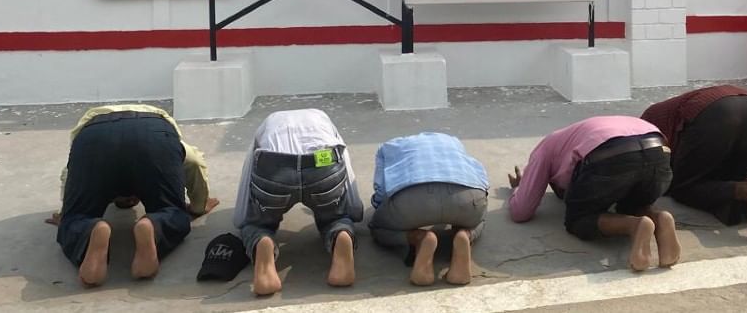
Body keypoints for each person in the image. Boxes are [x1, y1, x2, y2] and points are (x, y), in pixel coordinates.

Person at [52, 104, 218, 287]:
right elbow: (195, 163)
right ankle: (153, 226)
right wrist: (198, 206)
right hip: (153, 133)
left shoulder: (90, 129)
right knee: (169, 210)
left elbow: (69, 175)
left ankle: (89, 230)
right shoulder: (161, 126)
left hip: (94, 137)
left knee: (78, 217)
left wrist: (68, 214)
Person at [508, 116, 680, 271]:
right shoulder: (573, 136)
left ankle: (634, 226)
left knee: (579, 219)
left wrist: (519, 187)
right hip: (658, 150)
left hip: (609, 153)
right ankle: (660, 218)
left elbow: (521, 211)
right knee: (631, 204)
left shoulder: (545, 147)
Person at [232, 108, 363, 296]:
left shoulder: (269, 121)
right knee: (334, 218)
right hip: (322, 163)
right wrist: (351, 212)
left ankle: (262, 241)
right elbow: (343, 160)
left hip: (275, 167)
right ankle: (340, 234)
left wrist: (245, 220)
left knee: (258, 224)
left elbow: (250, 167)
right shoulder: (322, 118)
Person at [641, 85, 747, 240]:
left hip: (713, 113)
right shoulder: (661, 112)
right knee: (736, 174)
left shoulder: (646, 126)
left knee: (683, 187)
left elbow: (658, 171)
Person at [368, 132, 489, 286]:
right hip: (466, 194)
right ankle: (465, 235)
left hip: (412, 199)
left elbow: (381, 190)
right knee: (479, 218)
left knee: (377, 228)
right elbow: (481, 178)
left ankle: (420, 238)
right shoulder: (453, 141)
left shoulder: (388, 147)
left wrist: (383, 210)